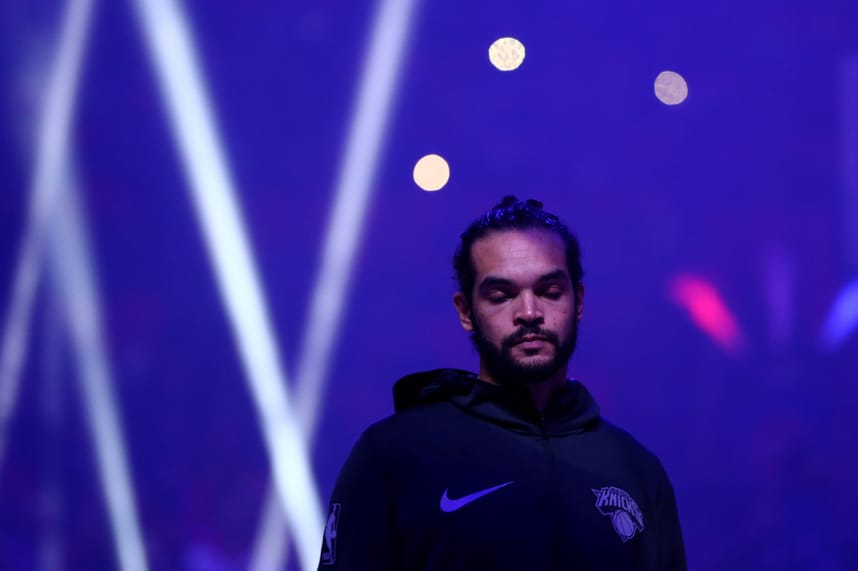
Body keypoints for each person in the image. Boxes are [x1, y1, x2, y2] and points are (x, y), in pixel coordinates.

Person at [317, 196, 686, 570]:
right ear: (465, 312)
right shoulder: (393, 455)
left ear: (578, 301)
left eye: (549, 291)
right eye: (501, 296)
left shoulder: (637, 471)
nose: (529, 313)